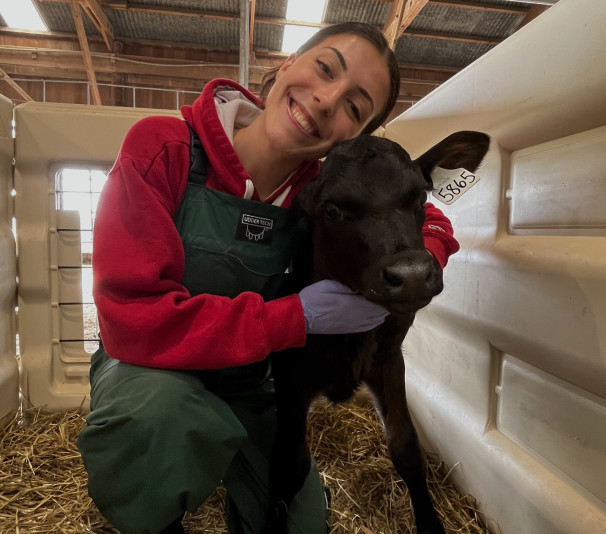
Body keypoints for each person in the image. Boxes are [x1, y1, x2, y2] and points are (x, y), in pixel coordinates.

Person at [76, 22, 460, 534]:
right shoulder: (164, 148)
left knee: (298, 523)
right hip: (151, 370)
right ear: (286, 66)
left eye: (354, 107)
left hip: (248, 379)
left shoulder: (325, 188)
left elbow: (426, 214)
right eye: (325, 69)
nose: (327, 101)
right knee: (156, 418)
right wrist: (295, 317)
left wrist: (422, 258)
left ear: (357, 137)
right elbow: (134, 322)